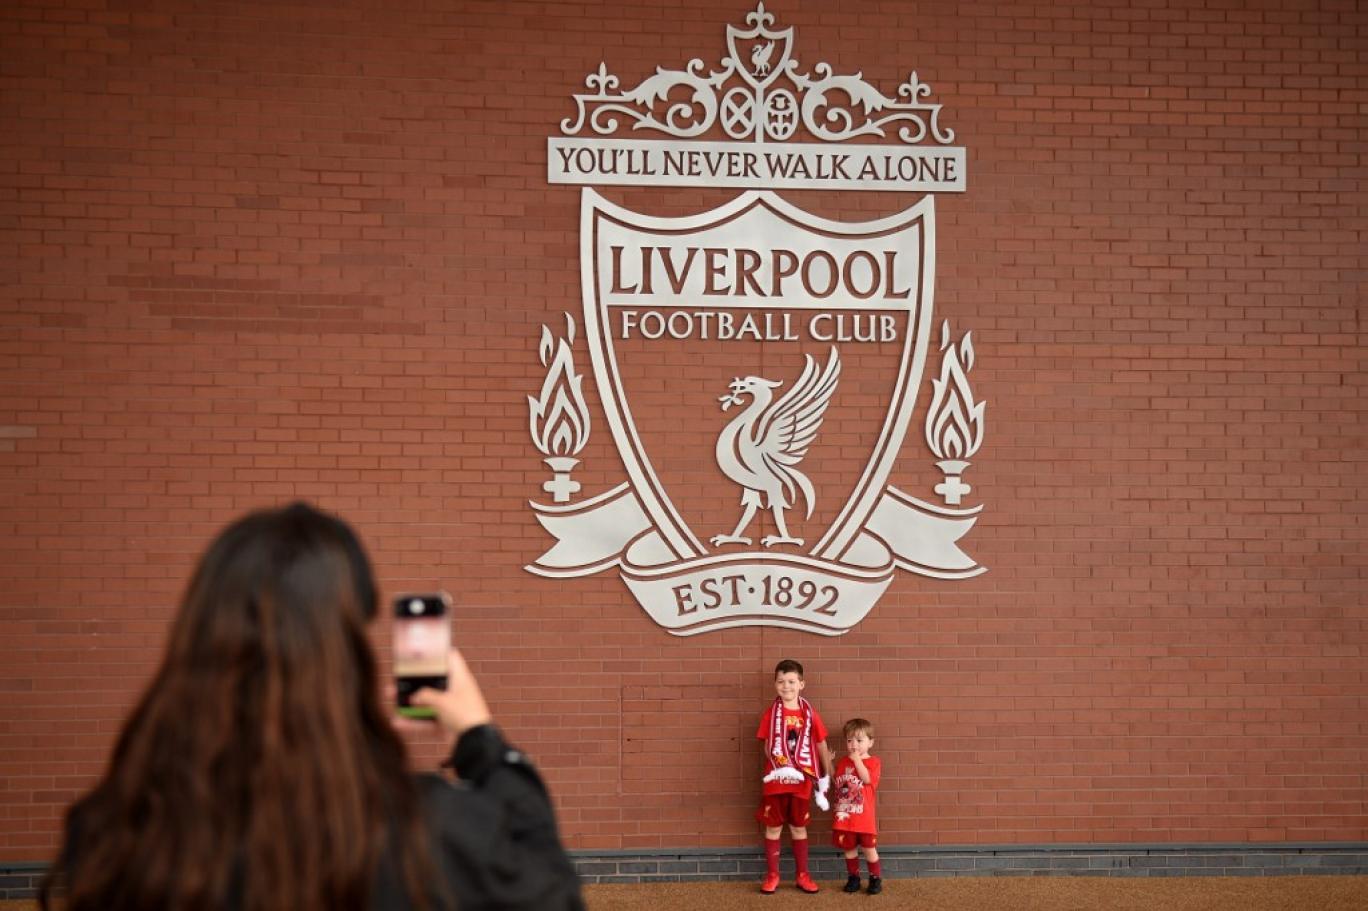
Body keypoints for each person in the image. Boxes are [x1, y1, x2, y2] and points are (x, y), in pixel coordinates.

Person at [40, 502, 584, 911]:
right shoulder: (431, 836)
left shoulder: (119, 835)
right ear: (345, 652)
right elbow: (553, 891)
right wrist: (479, 739)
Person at [755, 658, 834, 894]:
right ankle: (772, 876)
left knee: (799, 828)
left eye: (791, 681)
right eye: (781, 682)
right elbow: (767, 747)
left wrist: (827, 772)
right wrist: (783, 762)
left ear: (801, 684)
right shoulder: (770, 714)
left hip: (801, 783)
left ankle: (802, 875)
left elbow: (820, 744)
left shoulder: (809, 713)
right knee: (773, 828)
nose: (786, 686)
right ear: (775, 685)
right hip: (776, 781)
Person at [832, 717, 883, 895]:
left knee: (869, 849)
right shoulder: (843, 762)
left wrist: (856, 760)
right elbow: (836, 782)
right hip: (845, 817)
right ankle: (853, 878)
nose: (854, 745)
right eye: (849, 740)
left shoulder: (874, 762)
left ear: (870, 742)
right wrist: (829, 763)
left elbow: (867, 778)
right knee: (849, 850)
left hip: (864, 819)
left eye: (859, 740)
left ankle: (875, 879)